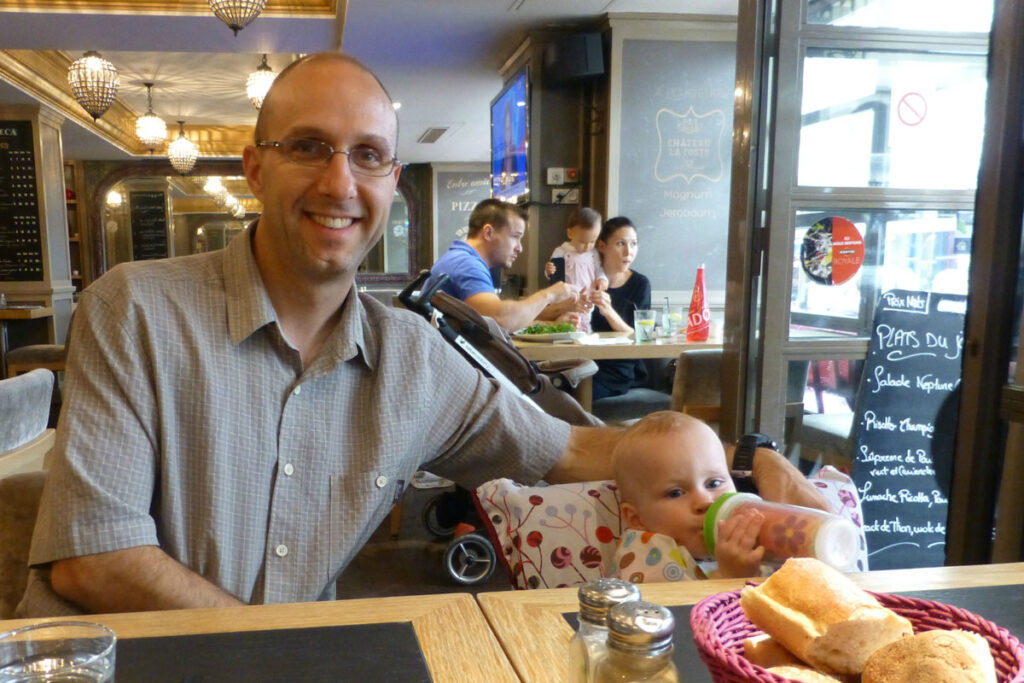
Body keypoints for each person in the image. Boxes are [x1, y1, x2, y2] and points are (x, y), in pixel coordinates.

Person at [20, 52, 824, 617]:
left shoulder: (408, 355)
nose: (340, 181)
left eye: (367, 156)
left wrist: (748, 461)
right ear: (256, 168)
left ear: (390, 184)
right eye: (309, 147)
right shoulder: (133, 309)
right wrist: (283, 656)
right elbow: (94, 560)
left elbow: (567, 448)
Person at [612, 412, 766, 582]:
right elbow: (676, 607)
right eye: (676, 493)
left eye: (714, 483)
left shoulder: (744, 537)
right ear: (636, 518)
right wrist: (728, 576)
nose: (705, 502)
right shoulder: (649, 556)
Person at [427, 198, 583, 332]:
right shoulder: (466, 265)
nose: (520, 248)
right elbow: (500, 319)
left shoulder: (459, 258)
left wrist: (556, 314)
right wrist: (550, 294)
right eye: (516, 237)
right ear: (488, 233)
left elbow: (494, 317)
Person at [587, 216, 651, 400]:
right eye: (621, 244)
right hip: (581, 362)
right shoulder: (586, 278)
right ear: (601, 246)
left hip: (617, 369)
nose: (628, 252)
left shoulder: (640, 284)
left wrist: (608, 311)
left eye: (633, 244)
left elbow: (640, 335)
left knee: (573, 392)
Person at [543, 207, 607, 333]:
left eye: (592, 242)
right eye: (583, 242)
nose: (587, 246)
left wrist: (602, 280)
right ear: (570, 233)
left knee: (585, 321)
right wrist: (548, 271)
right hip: (566, 299)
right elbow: (553, 275)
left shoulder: (593, 254)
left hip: (587, 297)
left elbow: (599, 270)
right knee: (567, 323)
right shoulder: (561, 252)